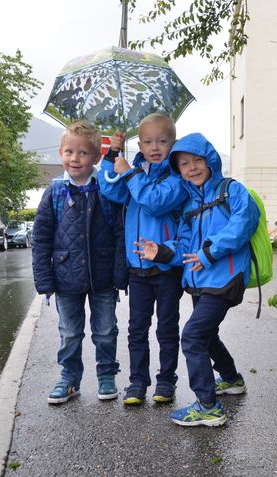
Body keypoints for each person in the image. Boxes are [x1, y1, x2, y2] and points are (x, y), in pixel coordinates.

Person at [134, 132, 260, 426]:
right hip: (200, 282)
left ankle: (208, 406)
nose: (192, 168)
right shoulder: (189, 207)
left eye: (197, 160)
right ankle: (231, 379)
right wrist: (163, 252)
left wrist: (209, 253)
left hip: (226, 279)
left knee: (191, 337)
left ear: (210, 160)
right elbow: (186, 246)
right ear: (178, 170)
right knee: (207, 335)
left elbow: (243, 225)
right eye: (184, 164)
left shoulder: (232, 191)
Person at [32, 120, 129, 404]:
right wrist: (44, 280)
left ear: (97, 156)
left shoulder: (106, 188)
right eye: (69, 152)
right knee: (70, 333)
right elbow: (41, 238)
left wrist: (120, 273)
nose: (75, 159)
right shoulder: (54, 191)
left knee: (105, 330)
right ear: (61, 153)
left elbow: (120, 232)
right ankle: (69, 378)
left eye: (83, 153)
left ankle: (107, 374)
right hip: (65, 278)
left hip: (103, 276)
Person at [98, 113, 187, 405]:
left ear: (172, 142)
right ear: (140, 143)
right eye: (147, 141)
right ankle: (137, 382)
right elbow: (109, 188)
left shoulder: (176, 178)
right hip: (137, 269)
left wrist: (131, 174)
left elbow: (156, 201)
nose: (155, 146)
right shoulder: (133, 168)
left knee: (166, 328)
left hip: (166, 268)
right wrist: (114, 154)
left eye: (162, 140)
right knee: (136, 329)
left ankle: (166, 381)